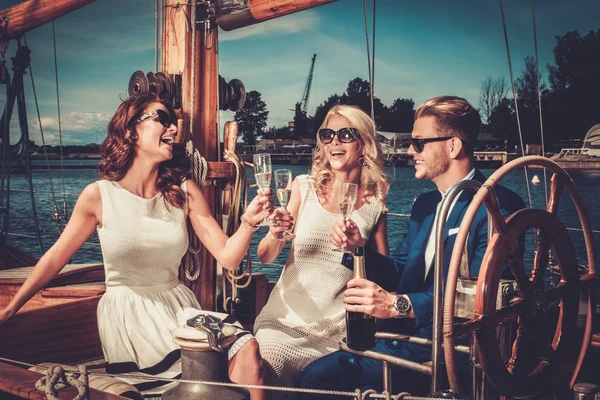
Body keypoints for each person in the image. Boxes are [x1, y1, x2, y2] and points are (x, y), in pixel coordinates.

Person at [0, 92, 271, 399]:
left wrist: (249, 222)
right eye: (162, 120)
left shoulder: (183, 191)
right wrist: (10, 309)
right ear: (130, 130)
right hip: (129, 318)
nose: (172, 130)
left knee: (247, 349)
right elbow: (54, 259)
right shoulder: (98, 195)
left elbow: (229, 258)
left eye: (173, 123)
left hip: (179, 309)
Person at [299, 96, 525, 397]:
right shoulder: (426, 205)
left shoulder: (499, 207)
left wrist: (396, 305)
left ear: (453, 146)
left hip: (459, 347)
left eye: (419, 143)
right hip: (411, 338)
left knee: (317, 377)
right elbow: (400, 272)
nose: (410, 150)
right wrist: (358, 248)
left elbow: (485, 299)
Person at [253, 105, 389, 398]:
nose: (334, 143)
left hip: (336, 328)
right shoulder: (304, 187)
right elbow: (265, 256)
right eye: (327, 135)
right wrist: (276, 235)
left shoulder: (375, 207)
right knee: (268, 358)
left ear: (363, 144)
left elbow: (384, 276)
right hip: (285, 318)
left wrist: (358, 248)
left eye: (345, 135)